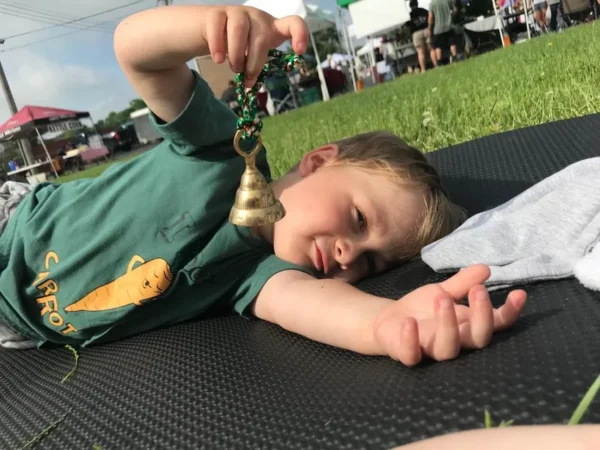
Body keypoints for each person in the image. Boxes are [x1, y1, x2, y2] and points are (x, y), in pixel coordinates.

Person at [0, 5, 527, 368]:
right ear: (319, 161)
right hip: (13, 225)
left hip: (17, 327)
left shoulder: (257, 276)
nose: (347, 254)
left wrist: (389, 322)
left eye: (369, 264)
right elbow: (136, 51)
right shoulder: (219, 152)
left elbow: (325, 311)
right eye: (359, 221)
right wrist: (215, 24)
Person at [407, 0, 437, 72]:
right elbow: (431, 17)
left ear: (410, 6)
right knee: (431, 49)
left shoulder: (409, 15)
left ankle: (423, 69)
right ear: (417, 4)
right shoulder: (423, 11)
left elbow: (407, 26)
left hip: (416, 33)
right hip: (426, 30)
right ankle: (436, 65)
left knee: (420, 52)